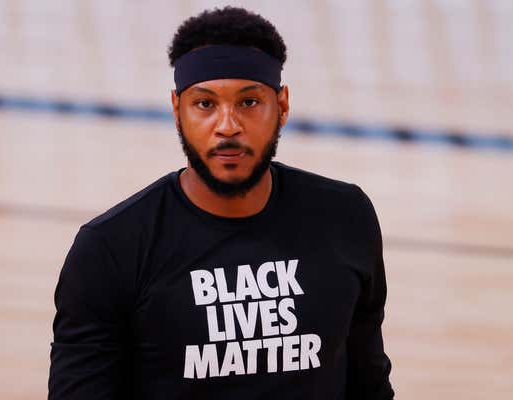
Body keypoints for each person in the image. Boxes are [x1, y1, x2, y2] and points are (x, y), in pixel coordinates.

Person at [48, 6, 394, 400]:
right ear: (177, 110)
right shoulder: (112, 248)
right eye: (205, 104)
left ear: (281, 106)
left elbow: (369, 384)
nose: (227, 126)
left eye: (248, 103)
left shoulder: (344, 218)